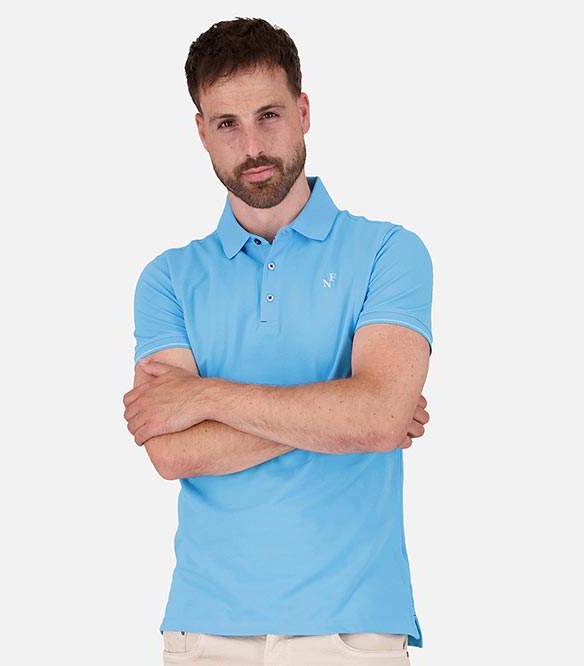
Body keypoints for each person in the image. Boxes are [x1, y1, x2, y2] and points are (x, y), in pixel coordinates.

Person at [123, 17, 433, 665]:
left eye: (269, 115)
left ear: (303, 111)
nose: (253, 145)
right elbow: (172, 453)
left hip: (352, 630)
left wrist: (204, 396)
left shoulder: (388, 252)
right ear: (202, 132)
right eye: (227, 124)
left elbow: (379, 419)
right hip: (203, 632)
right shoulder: (168, 279)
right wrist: (348, 412)